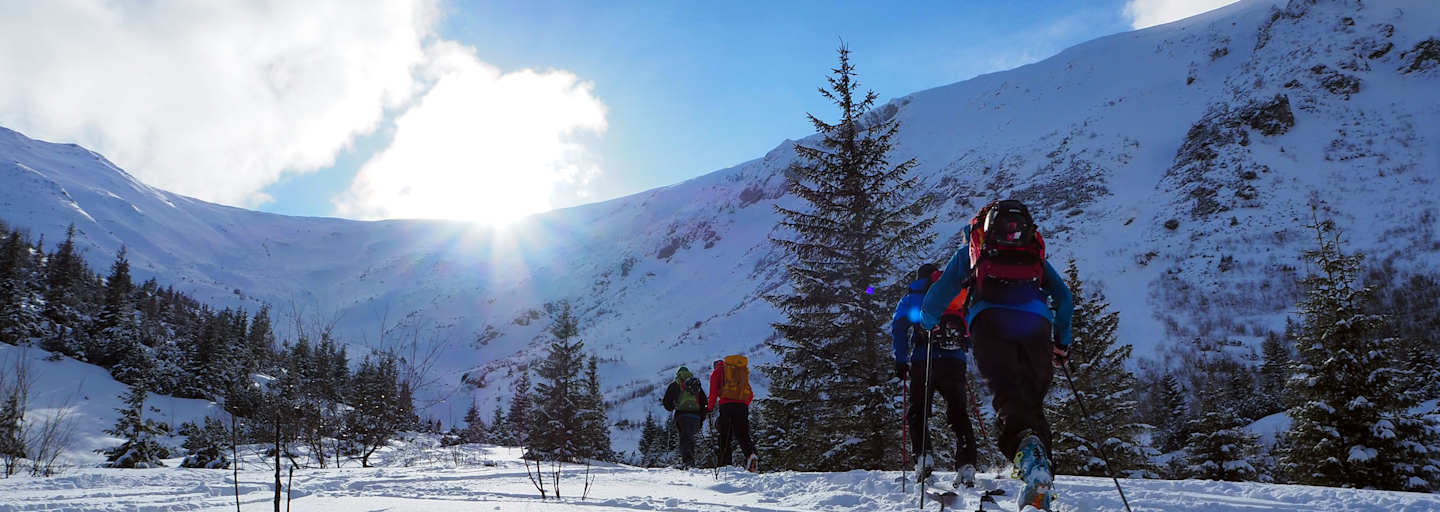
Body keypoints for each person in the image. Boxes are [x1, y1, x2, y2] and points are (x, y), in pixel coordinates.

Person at [919, 199, 1073, 511]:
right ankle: (1039, 475)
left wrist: (927, 324)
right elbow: (1064, 296)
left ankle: (1033, 468)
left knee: (1009, 398)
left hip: (989, 325)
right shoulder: (1032, 252)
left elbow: (935, 300)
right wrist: (1061, 342)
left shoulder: (972, 253)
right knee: (1031, 401)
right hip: (1037, 326)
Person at [892, 263, 979, 488]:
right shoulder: (952, 293)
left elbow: (899, 327)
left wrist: (901, 360)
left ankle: (924, 458)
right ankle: (966, 465)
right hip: (954, 361)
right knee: (959, 413)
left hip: (924, 360)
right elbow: (969, 325)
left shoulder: (913, 298)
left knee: (918, 411)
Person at [708, 355, 758, 472]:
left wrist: (709, 408)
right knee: (743, 434)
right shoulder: (739, 372)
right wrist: (744, 404)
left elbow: (713, 392)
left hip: (726, 406)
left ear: (715, 366)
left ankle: (725, 465)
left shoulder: (717, 372)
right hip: (742, 406)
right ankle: (751, 454)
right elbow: (750, 394)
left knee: (725, 436)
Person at [661, 366, 707, 468]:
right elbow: (704, 403)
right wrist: (701, 419)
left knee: (684, 438)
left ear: (678, 374)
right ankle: (690, 462)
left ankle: (688, 462)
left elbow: (667, 403)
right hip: (696, 416)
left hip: (682, 415)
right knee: (689, 437)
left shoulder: (675, 384)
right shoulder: (695, 384)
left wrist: (673, 406)